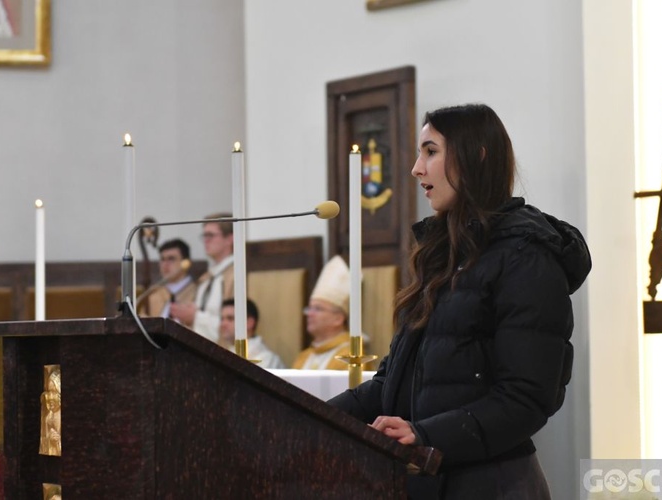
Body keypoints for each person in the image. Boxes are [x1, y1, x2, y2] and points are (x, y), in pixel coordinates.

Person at [328, 104, 591, 499]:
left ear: (476, 156)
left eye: (430, 151)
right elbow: (392, 381)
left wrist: (424, 434)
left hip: (490, 485)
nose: (417, 168)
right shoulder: (443, 256)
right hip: (429, 481)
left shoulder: (526, 256)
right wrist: (311, 414)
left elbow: (526, 396)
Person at [169, 213, 234, 341]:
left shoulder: (236, 275)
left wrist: (195, 317)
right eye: (204, 236)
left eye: (210, 235)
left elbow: (234, 324)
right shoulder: (206, 278)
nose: (206, 240)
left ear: (230, 239)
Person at [292, 255, 354, 370]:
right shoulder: (303, 357)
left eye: (317, 309)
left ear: (338, 319)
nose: (309, 314)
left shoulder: (351, 357)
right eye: (309, 308)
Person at [218, 298, 285, 369]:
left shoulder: (267, 360)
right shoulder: (224, 356)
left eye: (230, 318)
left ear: (249, 323)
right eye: (222, 319)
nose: (223, 324)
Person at [141, 238, 197, 319]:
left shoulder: (198, 293)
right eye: (162, 259)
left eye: (171, 259)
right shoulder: (152, 295)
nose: (165, 264)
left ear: (186, 263)